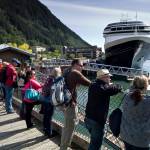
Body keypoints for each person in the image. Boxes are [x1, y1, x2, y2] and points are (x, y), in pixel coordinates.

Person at [85, 69, 122, 150]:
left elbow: (106, 88)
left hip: (88, 118)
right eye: (109, 77)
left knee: (93, 141)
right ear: (104, 77)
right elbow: (114, 88)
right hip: (97, 122)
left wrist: (108, 85)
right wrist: (118, 86)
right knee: (95, 145)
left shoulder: (93, 84)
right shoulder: (103, 88)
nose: (110, 79)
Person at [60, 58, 91, 150]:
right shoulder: (75, 73)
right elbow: (90, 83)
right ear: (75, 65)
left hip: (64, 103)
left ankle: (65, 145)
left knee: (67, 127)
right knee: (69, 129)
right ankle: (64, 147)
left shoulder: (67, 71)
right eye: (80, 65)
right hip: (70, 105)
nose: (82, 67)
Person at [120, 75, 150, 150]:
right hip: (141, 140)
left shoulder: (126, 96)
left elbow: (131, 91)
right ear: (146, 86)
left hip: (126, 135)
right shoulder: (147, 101)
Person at [42, 67, 61, 138]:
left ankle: (45, 129)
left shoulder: (48, 78)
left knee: (46, 115)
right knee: (49, 116)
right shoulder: (55, 80)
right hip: (50, 100)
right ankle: (49, 133)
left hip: (44, 99)